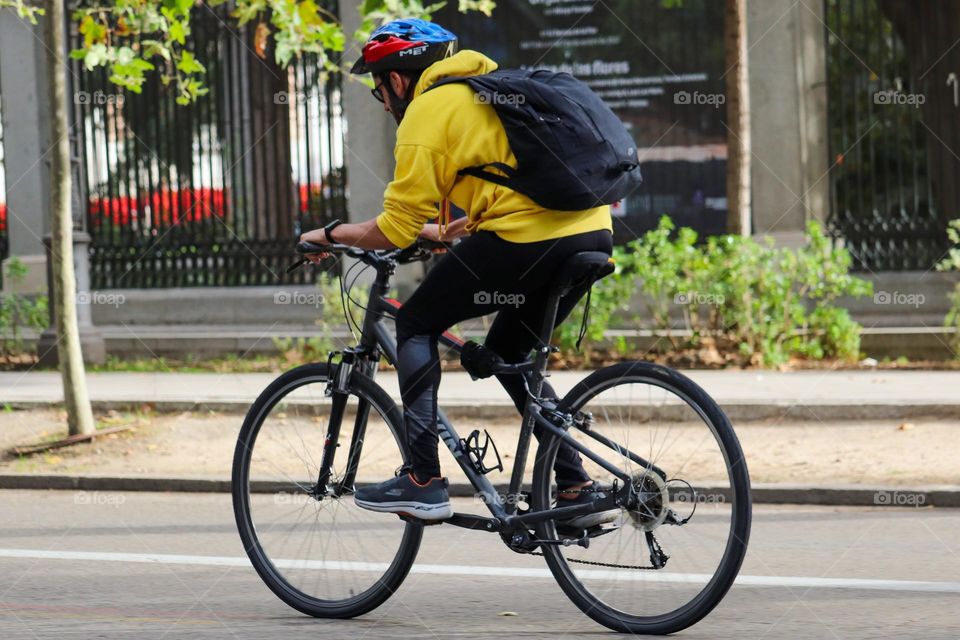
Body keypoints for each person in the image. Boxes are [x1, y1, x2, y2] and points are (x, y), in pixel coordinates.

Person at [299, 18, 616, 526]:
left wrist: (332, 234)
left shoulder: (427, 111)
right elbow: (503, 192)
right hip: (592, 234)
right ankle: (575, 486)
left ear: (397, 81)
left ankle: (423, 480)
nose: (384, 102)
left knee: (415, 324)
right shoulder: (490, 91)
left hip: (526, 240)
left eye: (380, 89)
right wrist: (440, 234)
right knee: (509, 351)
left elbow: (394, 229)